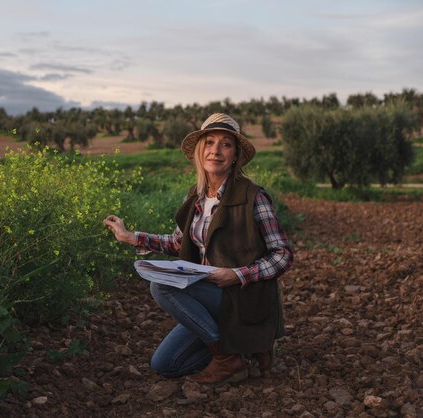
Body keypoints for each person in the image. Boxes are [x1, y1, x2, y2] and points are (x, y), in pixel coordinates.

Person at [103, 113, 293, 386]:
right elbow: (178, 243)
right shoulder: (195, 197)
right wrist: (131, 236)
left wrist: (237, 274)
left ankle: (228, 358)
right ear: (200, 151)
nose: (216, 150)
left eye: (226, 144)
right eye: (210, 142)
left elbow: (283, 255)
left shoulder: (254, 196)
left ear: (236, 155)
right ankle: (242, 349)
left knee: (162, 287)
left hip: (241, 297)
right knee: (165, 365)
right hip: (210, 297)